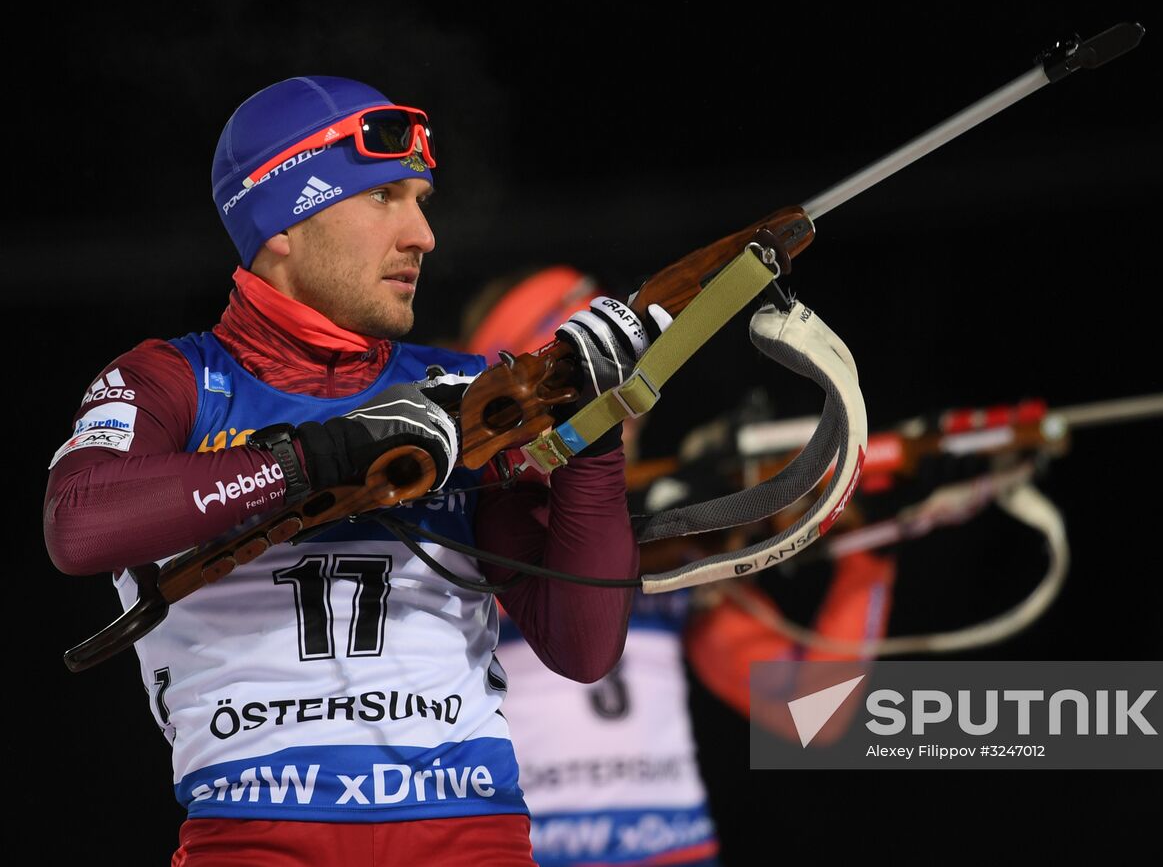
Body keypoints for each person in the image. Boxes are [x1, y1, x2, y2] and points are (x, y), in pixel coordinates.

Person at [44, 77, 646, 866]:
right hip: (253, 835)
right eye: (387, 196)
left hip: (468, 831)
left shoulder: (463, 393)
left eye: (421, 201)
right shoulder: (173, 381)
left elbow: (582, 643)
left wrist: (592, 442)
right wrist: (312, 457)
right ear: (287, 218)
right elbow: (80, 524)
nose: (423, 235)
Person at [461, 267, 896, 865]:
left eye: (624, 375)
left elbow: (810, 711)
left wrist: (870, 558)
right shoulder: (461, 536)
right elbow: (539, 557)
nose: (628, 407)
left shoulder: (666, 551)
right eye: (578, 382)